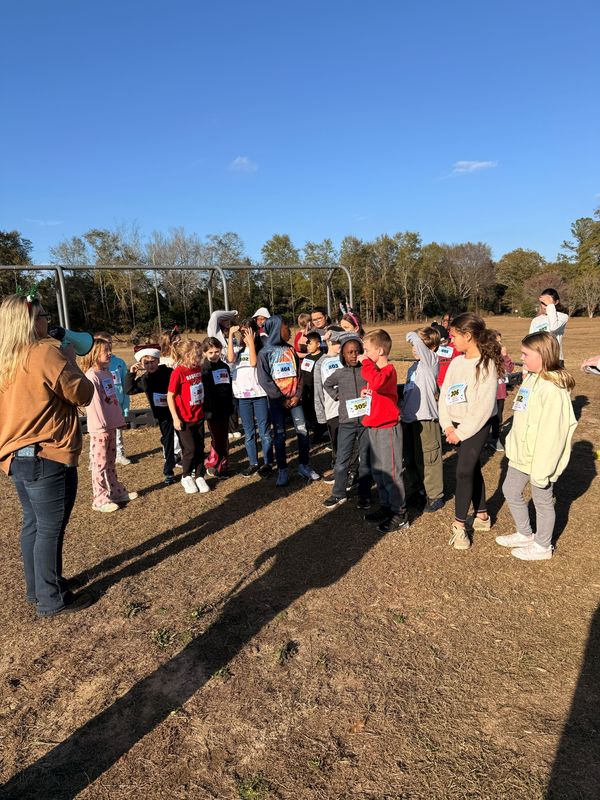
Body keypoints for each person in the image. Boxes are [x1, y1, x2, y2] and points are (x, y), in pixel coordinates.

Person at [0, 293, 95, 616]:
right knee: (50, 528)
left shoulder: (6, 357)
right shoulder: (44, 353)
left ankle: (37, 588)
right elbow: (82, 393)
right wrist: (69, 358)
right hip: (48, 453)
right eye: (41, 316)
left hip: (16, 456)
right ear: (28, 322)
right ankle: (51, 600)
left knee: (33, 525)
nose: (46, 322)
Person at [496, 332, 577, 561]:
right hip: (522, 452)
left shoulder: (553, 389)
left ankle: (543, 546)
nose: (522, 358)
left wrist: (543, 468)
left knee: (542, 500)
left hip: (540, 458)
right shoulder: (531, 378)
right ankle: (525, 533)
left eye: (526, 354)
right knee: (510, 490)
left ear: (542, 355)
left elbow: (553, 433)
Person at [439, 313, 503, 550]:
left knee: (464, 471)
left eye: (454, 335)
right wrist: (447, 425)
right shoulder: (456, 362)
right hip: (454, 426)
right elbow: (445, 395)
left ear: (468, 336)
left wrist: (460, 432)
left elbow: (483, 407)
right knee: (472, 467)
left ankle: (459, 526)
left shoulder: (486, 365)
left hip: (475, 427)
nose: (450, 339)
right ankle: (483, 515)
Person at [256, 315, 320, 486]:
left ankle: (304, 465)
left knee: (302, 431)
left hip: (295, 401)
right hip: (278, 403)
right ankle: (282, 470)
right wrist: (280, 398)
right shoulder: (264, 353)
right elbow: (264, 380)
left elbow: (298, 375)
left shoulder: (290, 350)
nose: (289, 330)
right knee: (280, 435)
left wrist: (297, 395)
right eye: (286, 326)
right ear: (277, 329)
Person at [357, 328, 409, 533]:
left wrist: (366, 363)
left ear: (379, 351)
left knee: (392, 471)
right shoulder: (376, 373)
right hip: (374, 426)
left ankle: (400, 512)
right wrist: (366, 393)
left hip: (388, 428)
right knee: (379, 471)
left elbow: (378, 382)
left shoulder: (388, 371)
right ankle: (387, 506)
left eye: (367, 349)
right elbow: (375, 387)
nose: (364, 354)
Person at [82, 338, 139, 513]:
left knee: (111, 461)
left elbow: (112, 401)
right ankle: (99, 498)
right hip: (100, 430)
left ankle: (115, 491)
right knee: (99, 464)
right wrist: (101, 427)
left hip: (111, 427)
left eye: (110, 349)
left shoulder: (106, 373)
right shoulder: (91, 376)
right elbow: (95, 405)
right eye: (105, 350)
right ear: (94, 354)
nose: (109, 353)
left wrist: (118, 421)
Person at [323, 334, 371, 509]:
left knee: (365, 461)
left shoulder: (367, 371)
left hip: (366, 423)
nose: (353, 355)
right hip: (346, 423)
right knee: (342, 460)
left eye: (357, 352)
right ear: (342, 354)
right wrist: (338, 396)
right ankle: (339, 494)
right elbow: (327, 384)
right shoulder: (339, 373)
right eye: (349, 352)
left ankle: (365, 496)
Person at [401, 327, 444, 513]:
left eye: (421, 343)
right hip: (409, 420)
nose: (414, 347)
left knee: (429, 459)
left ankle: (435, 495)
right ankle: (418, 489)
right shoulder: (413, 367)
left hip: (426, 419)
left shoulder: (431, 361)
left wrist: (413, 335)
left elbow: (415, 341)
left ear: (432, 347)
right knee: (410, 458)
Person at [124, 344, 178, 485]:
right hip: (163, 416)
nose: (150, 365)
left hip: (177, 411)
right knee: (168, 442)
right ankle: (169, 472)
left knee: (184, 438)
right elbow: (129, 390)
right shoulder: (145, 379)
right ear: (141, 364)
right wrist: (131, 373)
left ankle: (189, 464)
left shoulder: (168, 372)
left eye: (152, 361)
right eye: (146, 363)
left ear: (158, 360)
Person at [227, 319, 273, 478]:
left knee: (264, 431)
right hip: (242, 397)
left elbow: (253, 362)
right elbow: (230, 359)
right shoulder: (238, 351)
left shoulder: (261, 350)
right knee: (249, 432)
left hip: (259, 395)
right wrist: (231, 335)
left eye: (248, 331)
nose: (244, 335)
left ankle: (268, 463)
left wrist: (251, 342)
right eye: (243, 332)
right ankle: (253, 463)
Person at [167, 340, 209, 494]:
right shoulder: (178, 372)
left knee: (200, 447)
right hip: (184, 418)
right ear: (186, 356)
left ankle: (199, 475)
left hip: (198, 415)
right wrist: (175, 418)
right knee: (189, 449)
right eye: (197, 355)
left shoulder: (197, 368)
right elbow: (170, 396)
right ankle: (186, 476)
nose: (200, 358)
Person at [95, 331, 131, 465]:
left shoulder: (119, 362)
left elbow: (125, 385)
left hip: (117, 404)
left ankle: (119, 454)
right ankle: (96, 457)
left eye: (110, 342)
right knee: (101, 434)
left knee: (118, 432)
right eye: (105, 343)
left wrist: (126, 406)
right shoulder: (94, 367)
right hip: (102, 407)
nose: (109, 345)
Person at [313, 327, 344, 479]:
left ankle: (352, 471)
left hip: (349, 410)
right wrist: (321, 414)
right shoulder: (321, 363)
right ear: (328, 340)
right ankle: (338, 469)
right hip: (332, 411)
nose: (340, 344)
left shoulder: (346, 358)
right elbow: (318, 390)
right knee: (337, 442)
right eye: (337, 341)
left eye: (341, 340)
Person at [202, 336, 234, 478]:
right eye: (211, 352)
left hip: (225, 408)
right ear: (204, 353)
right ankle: (212, 462)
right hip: (212, 410)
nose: (214, 355)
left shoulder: (224, 367)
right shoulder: (203, 369)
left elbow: (228, 387)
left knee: (224, 437)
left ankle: (224, 464)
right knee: (217, 438)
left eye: (217, 351)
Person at [487, 330, 515, 452]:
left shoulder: (502, 356)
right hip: (488, 393)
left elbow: (510, 369)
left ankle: (495, 439)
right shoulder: (486, 356)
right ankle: (484, 438)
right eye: (497, 341)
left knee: (498, 417)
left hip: (500, 392)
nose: (500, 344)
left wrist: (505, 356)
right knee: (487, 416)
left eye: (500, 341)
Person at [528, 289, 569, 366]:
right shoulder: (536, 320)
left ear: (556, 302)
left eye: (547, 302)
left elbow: (553, 327)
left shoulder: (562, 317)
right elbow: (530, 342)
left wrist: (550, 305)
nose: (544, 305)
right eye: (543, 303)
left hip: (555, 359)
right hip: (539, 359)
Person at [300, 330, 326, 444]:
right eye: (307, 344)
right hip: (307, 392)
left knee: (319, 415)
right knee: (309, 414)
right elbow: (303, 374)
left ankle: (320, 434)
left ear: (318, 344)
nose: (308, 346)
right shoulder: (307, 358)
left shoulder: (324, 358)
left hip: (318, 393)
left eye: (310, 343)